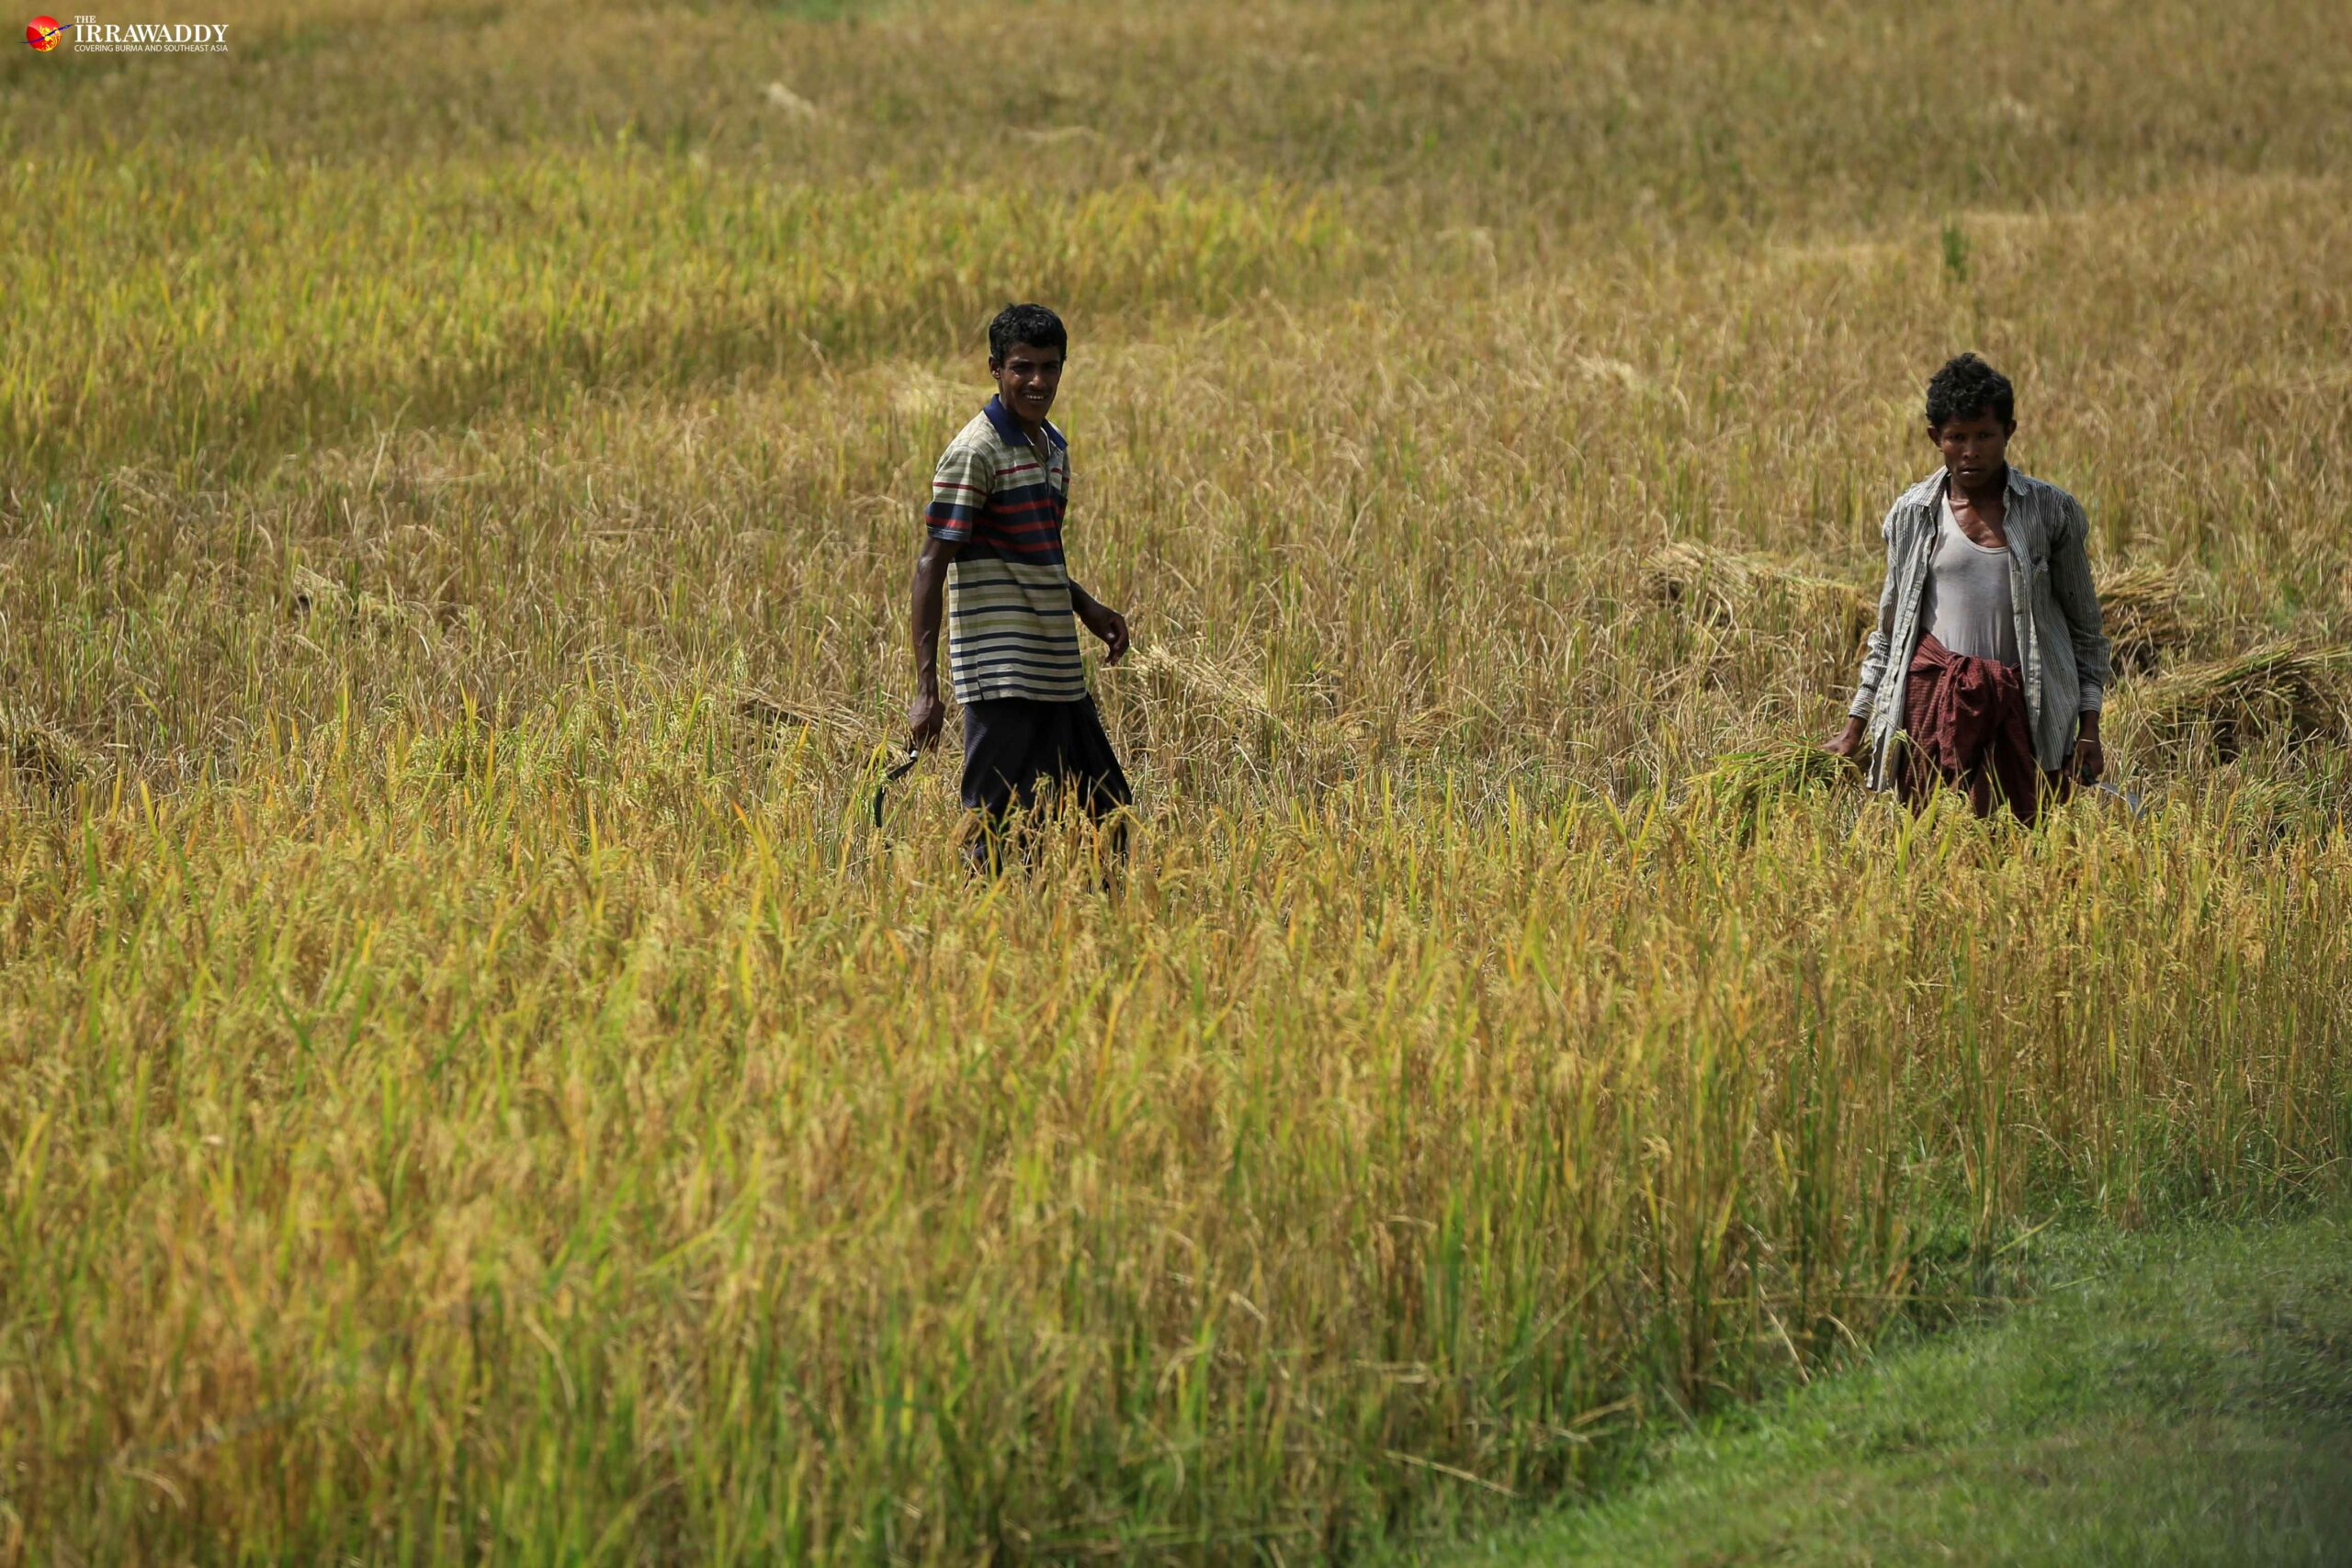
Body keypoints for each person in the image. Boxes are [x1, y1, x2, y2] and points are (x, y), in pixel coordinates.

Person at [1826, 354, 2112, 823]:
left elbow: (2086, 634)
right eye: (1957, 437)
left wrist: (2089, 729)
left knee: (2022, 839)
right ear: (1935, 438)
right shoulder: (1913, 515)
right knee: (1931, 838)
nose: (1971, 451)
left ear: (2009, 433)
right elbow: (1891, 634)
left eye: (1985, 436)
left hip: (2023, 706)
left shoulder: (2050, 513)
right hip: (1934, 705)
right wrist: (1855, 727)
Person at [905, 303, 1135, 872]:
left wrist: (1084, 605)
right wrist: (927, 689)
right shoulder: (974, 451)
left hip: (1055, 663)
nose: (1038, 382)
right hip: (1000, 669)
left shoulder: (1051, 447)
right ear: (995, 369)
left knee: (1109, 813)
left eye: (1050, 368)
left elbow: (1032, 550)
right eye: (1022, 367)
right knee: (999, 827)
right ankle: (988, 941)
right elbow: (930, 566)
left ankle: (1096, 940)